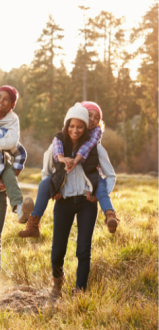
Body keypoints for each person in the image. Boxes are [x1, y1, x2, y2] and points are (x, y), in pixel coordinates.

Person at [19, 104, 116, 296]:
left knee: (83, 250)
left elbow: (110, 175)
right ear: (66, 125)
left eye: (79, 126)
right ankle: (57, 284)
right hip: (63, 202)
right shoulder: (57, 146)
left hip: (86, 203)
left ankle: (80, 289)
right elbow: (46, 173)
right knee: (58, 249)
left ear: (86, 125)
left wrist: (96, 194)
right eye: (72, 126)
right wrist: (55, 190)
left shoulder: (95, 147)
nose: (75, 130)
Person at [18, 102, 118, 238]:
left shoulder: (94, 137)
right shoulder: (61, 138)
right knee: (44, 184)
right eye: (90, 116)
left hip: (90, 178)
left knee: (100, 186)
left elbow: (89, 150)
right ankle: (33, 222)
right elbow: (48, 165)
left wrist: (75, 161)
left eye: (97, 117)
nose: (93, 120)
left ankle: (110, 215)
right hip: (64, 182)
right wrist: (54, 189)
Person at [0, 85, 34, 223]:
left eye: (6, 99)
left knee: (9, 172)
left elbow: (13, 144)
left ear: (12, 105)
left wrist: (8, 181)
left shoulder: (10, 124)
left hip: (2, 164)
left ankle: (19, 208)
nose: (1, 100)